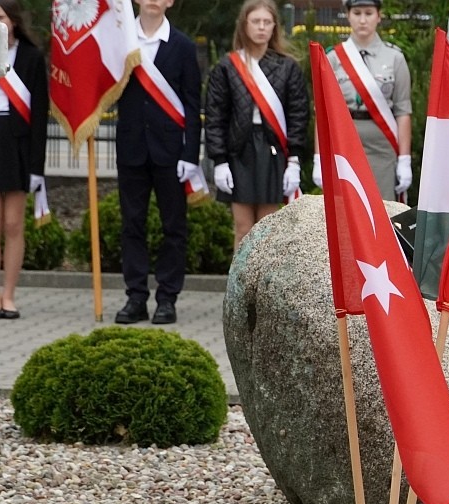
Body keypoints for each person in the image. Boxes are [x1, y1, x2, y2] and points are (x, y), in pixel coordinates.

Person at [114, 0, 202, 325]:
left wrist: (191, 156)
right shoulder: (121, 41)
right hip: (132, 147)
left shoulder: (183, 46)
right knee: (132, 225)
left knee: (173, 227)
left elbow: (193, 105)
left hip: (170, 152)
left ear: (170, 2)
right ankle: (135, 297)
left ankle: (167, 298)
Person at [206, 0, 309, 249]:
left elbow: (298, 114)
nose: (261, 27)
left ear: (275, 26)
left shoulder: (287, 67)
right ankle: (239, 288)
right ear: (244, 25)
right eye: (256, 21)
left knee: (268, 229)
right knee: (243, 229)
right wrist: (219, 161)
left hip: (273, 151)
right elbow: (215, 116)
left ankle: (264, 288)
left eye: (267, 22)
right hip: (239, 151)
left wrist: (294, 160)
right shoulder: (227, 66)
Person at [312, 0, 411, 202]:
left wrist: (404, 159)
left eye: (369, 13)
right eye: (357, 13)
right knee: (346, 207)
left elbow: (403, 111)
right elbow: (322, 112)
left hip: (382, 142)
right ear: (348, 15)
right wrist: (318, 157)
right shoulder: (333, 58)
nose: (363, 20)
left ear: (379, 16)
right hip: (343, 139)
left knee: (384, 207)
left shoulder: (394, 58)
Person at [0, 0, 48, 320]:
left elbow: (39, 115)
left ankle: (9, 295)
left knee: (14, 224)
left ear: (13, 20)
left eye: (0, 17)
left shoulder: (31, 57)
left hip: (18, 144)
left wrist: (37, 167)